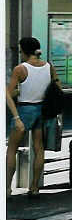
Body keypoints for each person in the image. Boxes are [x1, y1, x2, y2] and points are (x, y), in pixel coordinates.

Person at [6, 37, 61, 197]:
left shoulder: (20, 69)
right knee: (39, 148)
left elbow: (8, 94)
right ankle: (35, 187)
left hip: (25, 110)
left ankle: (7, 189)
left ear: (24, 50)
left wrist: (16, 118)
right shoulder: (48, 66)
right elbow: (56, 86)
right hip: (42, 110)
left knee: (12, 149)